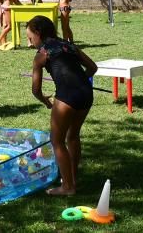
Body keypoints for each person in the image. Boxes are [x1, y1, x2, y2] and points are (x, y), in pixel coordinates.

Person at [28, 15, 97, 196]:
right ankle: (72, 178)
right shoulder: (70, 45)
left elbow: (36, 89)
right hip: (86, 93)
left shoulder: (41, 55)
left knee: (56, 140)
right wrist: (80, 79)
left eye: (30, 38)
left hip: (67, 96)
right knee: (72, 136)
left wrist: (45, 101)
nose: (30, 43)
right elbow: (93, 67)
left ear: (38, 33)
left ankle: (67, 187)